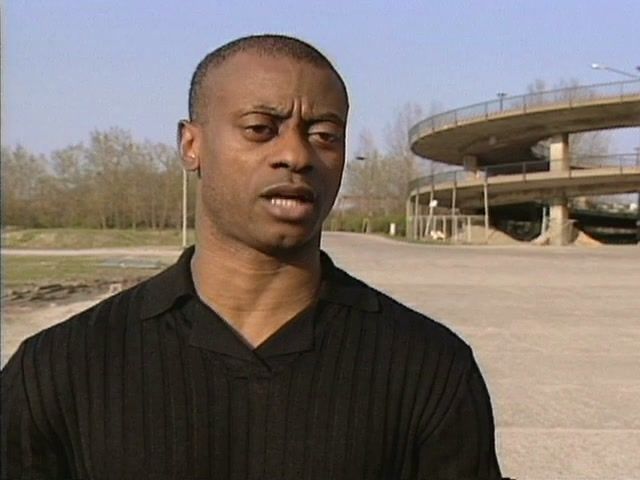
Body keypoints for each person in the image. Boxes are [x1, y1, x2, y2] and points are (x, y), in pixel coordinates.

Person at [2, 34, 503, 479]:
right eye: (261, 128)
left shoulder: (428, 370)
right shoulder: (58, 371)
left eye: (324, 136)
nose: (297, 155)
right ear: (192, 144)